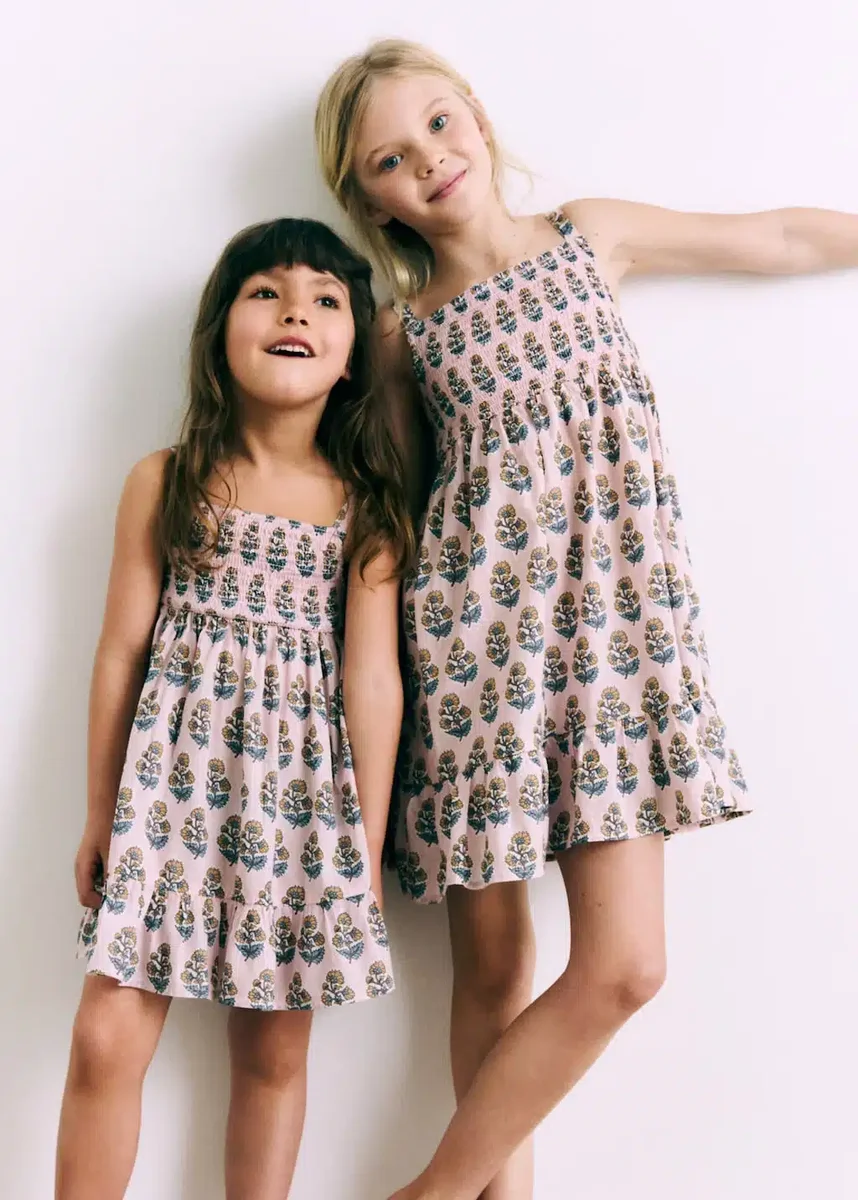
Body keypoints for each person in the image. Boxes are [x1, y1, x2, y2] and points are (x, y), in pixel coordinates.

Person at [316, 38, 858, 1200]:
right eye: (391, 160)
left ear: (476, 115)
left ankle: (427, 1194)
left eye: (438, 124)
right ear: (370, 198)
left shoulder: (588, 235)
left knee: (625, 966)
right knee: (494, 972)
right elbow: (392, 525)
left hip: (620, 646)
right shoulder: (404, 334)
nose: (430, 161)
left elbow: (772, 236)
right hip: (474, 660)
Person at [56, 217, 410, 1200]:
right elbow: (120, 652)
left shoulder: (365, 507)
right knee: (106, 1033)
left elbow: (373, 682)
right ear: (220, 333)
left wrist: (364, 849)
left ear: (351, 355)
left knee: (273, 1052)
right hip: (166, 798)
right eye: (267, 292)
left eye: (325, 300)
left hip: (299, 809)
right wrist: (100, 812)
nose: (296, 311)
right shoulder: (165, 480)